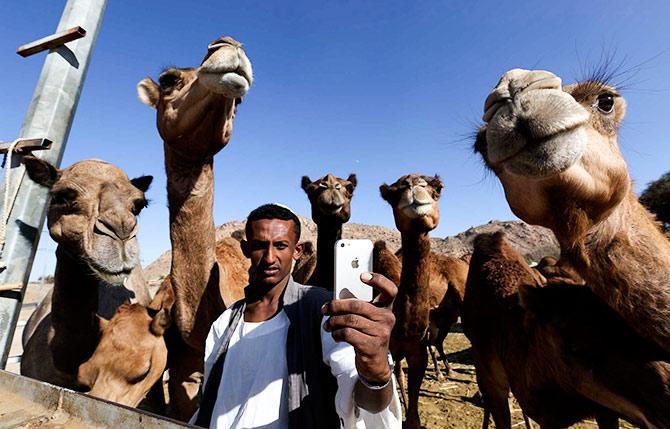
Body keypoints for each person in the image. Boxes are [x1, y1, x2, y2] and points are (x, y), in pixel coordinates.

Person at [193, 203, 401, 428]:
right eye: (260, 246)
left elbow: (365, 402)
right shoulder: (224, 324)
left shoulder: (323, 311)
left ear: (297, 251)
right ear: (245, 249)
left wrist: (376, 370)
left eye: (281, 245)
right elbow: (211, 402)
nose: (270, 257)